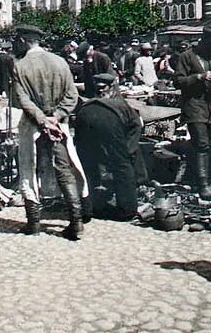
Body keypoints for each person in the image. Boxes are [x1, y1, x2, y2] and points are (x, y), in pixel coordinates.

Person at [12, 24, 88, 240]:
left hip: (33, 125)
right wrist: (56, 116)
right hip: (58, 125)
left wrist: (42, 119)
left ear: (24, 41)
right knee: (64, 169)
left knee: (29, 168)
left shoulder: (20, 65)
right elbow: (72, 95)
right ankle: (76, 223)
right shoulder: (60, 61)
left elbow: (22, 99)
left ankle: (34, 223)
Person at [173, 26, 211, 200]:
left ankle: (199, 176)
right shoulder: (187, 56)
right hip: (194, 105)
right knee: (201, 144)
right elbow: (177, 81)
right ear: (203, 40)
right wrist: (198, 77)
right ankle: (203, 185)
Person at [75, 73, 145, 221]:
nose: (101, 91)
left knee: (87, 164)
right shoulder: (120, 103)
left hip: (83, 116)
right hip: (106, 120)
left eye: (102, 88)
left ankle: (88, 205)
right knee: (122, 166)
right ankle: (127, 210)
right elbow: (136, 126)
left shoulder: (91, 100)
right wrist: (128, 151)